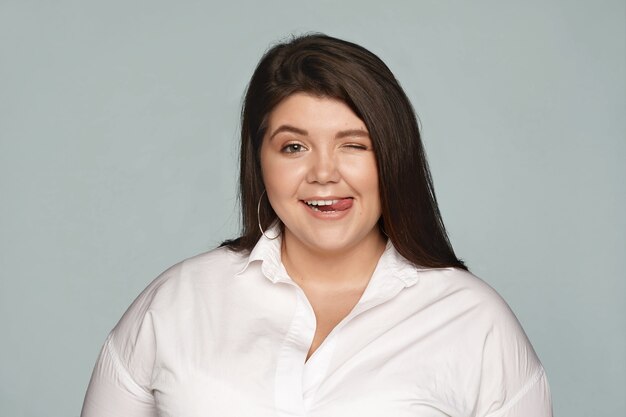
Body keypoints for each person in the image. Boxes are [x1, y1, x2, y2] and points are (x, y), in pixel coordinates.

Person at [81, 34, 552, 417]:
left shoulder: (474, 322)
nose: (324, 173)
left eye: (354, 145)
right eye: (294, 147)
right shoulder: (175, 303)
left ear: (393, 158)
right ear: (258, 161)